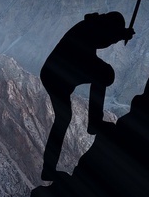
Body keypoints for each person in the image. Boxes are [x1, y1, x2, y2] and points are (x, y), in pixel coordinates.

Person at [40, 11, 134, 181]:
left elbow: (101, 39)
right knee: (104, 74)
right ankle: (94, 121)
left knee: (63, 119)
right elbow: (101, 38)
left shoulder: (90, 26)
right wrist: (121, 34)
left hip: (56, 74)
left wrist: (119, 34)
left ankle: (48, 168)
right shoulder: (89, 28)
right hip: (57, 75)